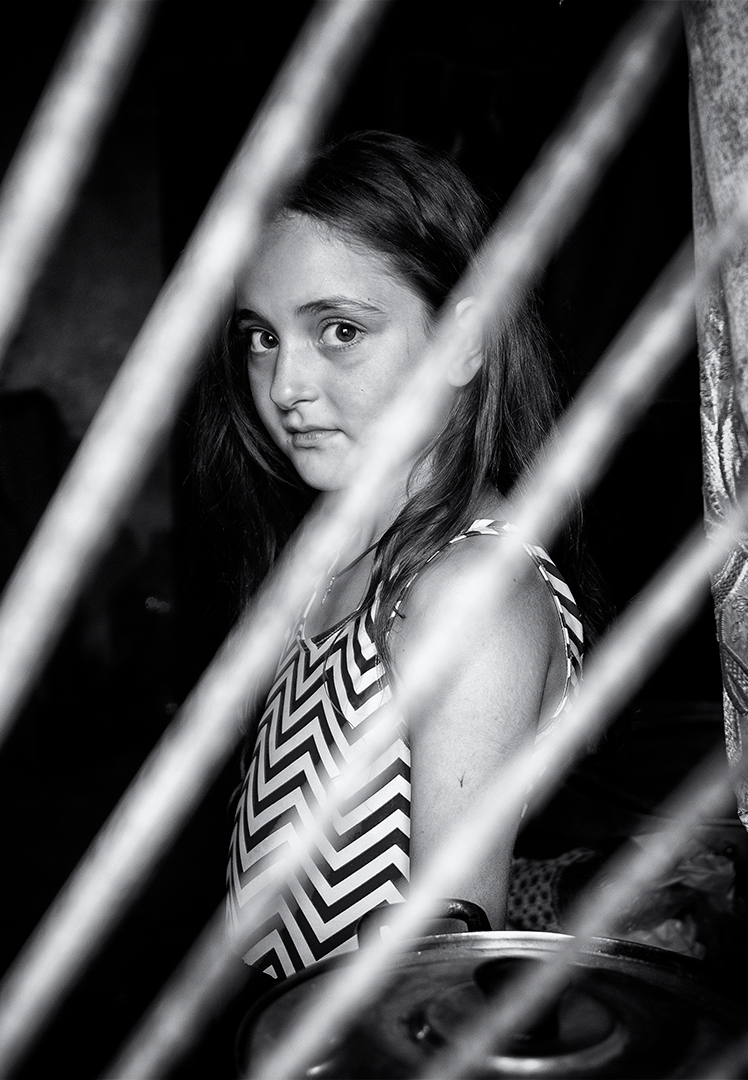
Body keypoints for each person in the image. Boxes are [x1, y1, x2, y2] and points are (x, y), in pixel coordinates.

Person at [196, 132, 585, 983]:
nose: (285, 386)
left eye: (339, 330)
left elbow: (446, 966)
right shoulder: (338, 551)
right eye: (260, 337)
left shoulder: (469, 590)